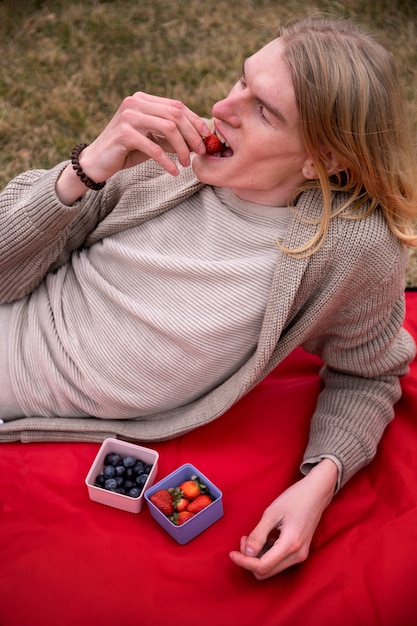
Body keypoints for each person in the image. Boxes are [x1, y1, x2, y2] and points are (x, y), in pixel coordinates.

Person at [1, 16, 417, 579]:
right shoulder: (164, 161)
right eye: (240, 80)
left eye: (264, 110)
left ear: (322, 159)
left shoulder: (350, 250)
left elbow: (369, 374)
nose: (222, 108)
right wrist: (86, 168)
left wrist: (319, 482)